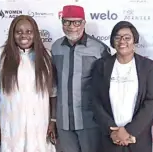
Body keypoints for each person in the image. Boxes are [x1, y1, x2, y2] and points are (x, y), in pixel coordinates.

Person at [0, 15, 56, 152]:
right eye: (19, 32)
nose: (24, 35)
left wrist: (53, 121)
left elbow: (53, 93)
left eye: (29, 31)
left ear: (35, 34)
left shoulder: (46, 57)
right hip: (11, 127)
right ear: (12, 34)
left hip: (40, 126)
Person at [91, 21, 153, 152]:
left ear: (135, 41)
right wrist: (112, 131)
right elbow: (96, 100)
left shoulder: (147, 66)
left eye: (127, 37)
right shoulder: (101, 66)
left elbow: (152, 100)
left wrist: (129, 131)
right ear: (112, 41)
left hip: (138, 137)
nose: (122, 41)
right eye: (118, 37)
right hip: (110, 137)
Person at [50, 5, 110, 152]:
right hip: (63, 123)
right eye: (67, 22)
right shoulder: (56, 47)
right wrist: (53, 119)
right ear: (62, 22)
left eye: (76, 22)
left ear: (84, 23)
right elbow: (53, 85)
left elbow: (107, 87)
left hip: (90, 121)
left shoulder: (99, 49)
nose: (72, 27)